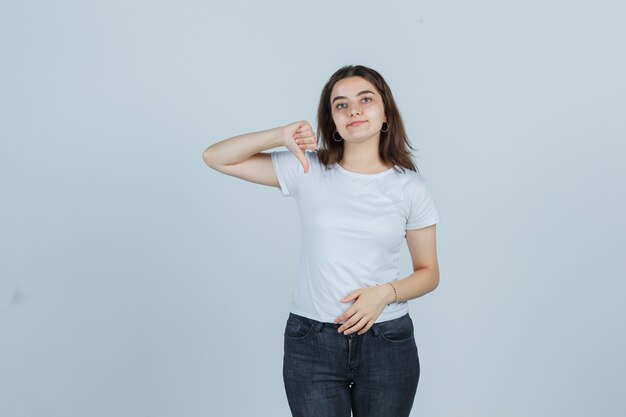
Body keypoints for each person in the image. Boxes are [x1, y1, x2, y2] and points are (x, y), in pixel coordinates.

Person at [202, 64, 441, 417]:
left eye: (365, 99)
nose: (354, 110)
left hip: (386, 341)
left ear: (386, 113)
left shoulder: (410, 187)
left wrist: (383, 295)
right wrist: (279, 136)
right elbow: (215, 157)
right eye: (340, 105)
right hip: (311, 342)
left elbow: (428, 272)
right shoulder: (308, 170)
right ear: (332, 121)